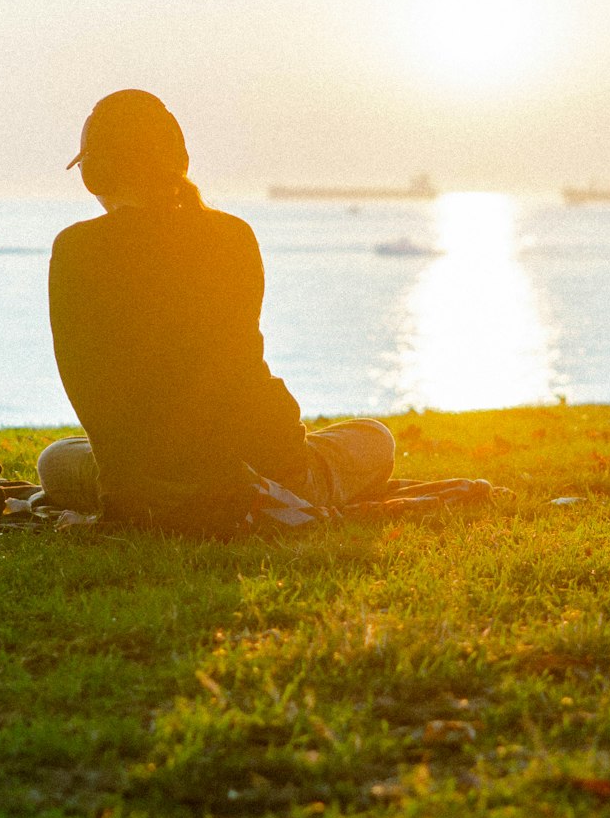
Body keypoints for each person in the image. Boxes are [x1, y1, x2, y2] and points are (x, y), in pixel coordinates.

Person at [42, 89, 394, 530]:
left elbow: (86, 384)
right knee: (374, 437)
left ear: (95, 173)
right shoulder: (232, 235)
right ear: (177, 160)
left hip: (144, 486)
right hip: (264, 466)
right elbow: (236, 363)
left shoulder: (74, 248)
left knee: (55, 460)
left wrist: (127, 478)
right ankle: (280, 482)